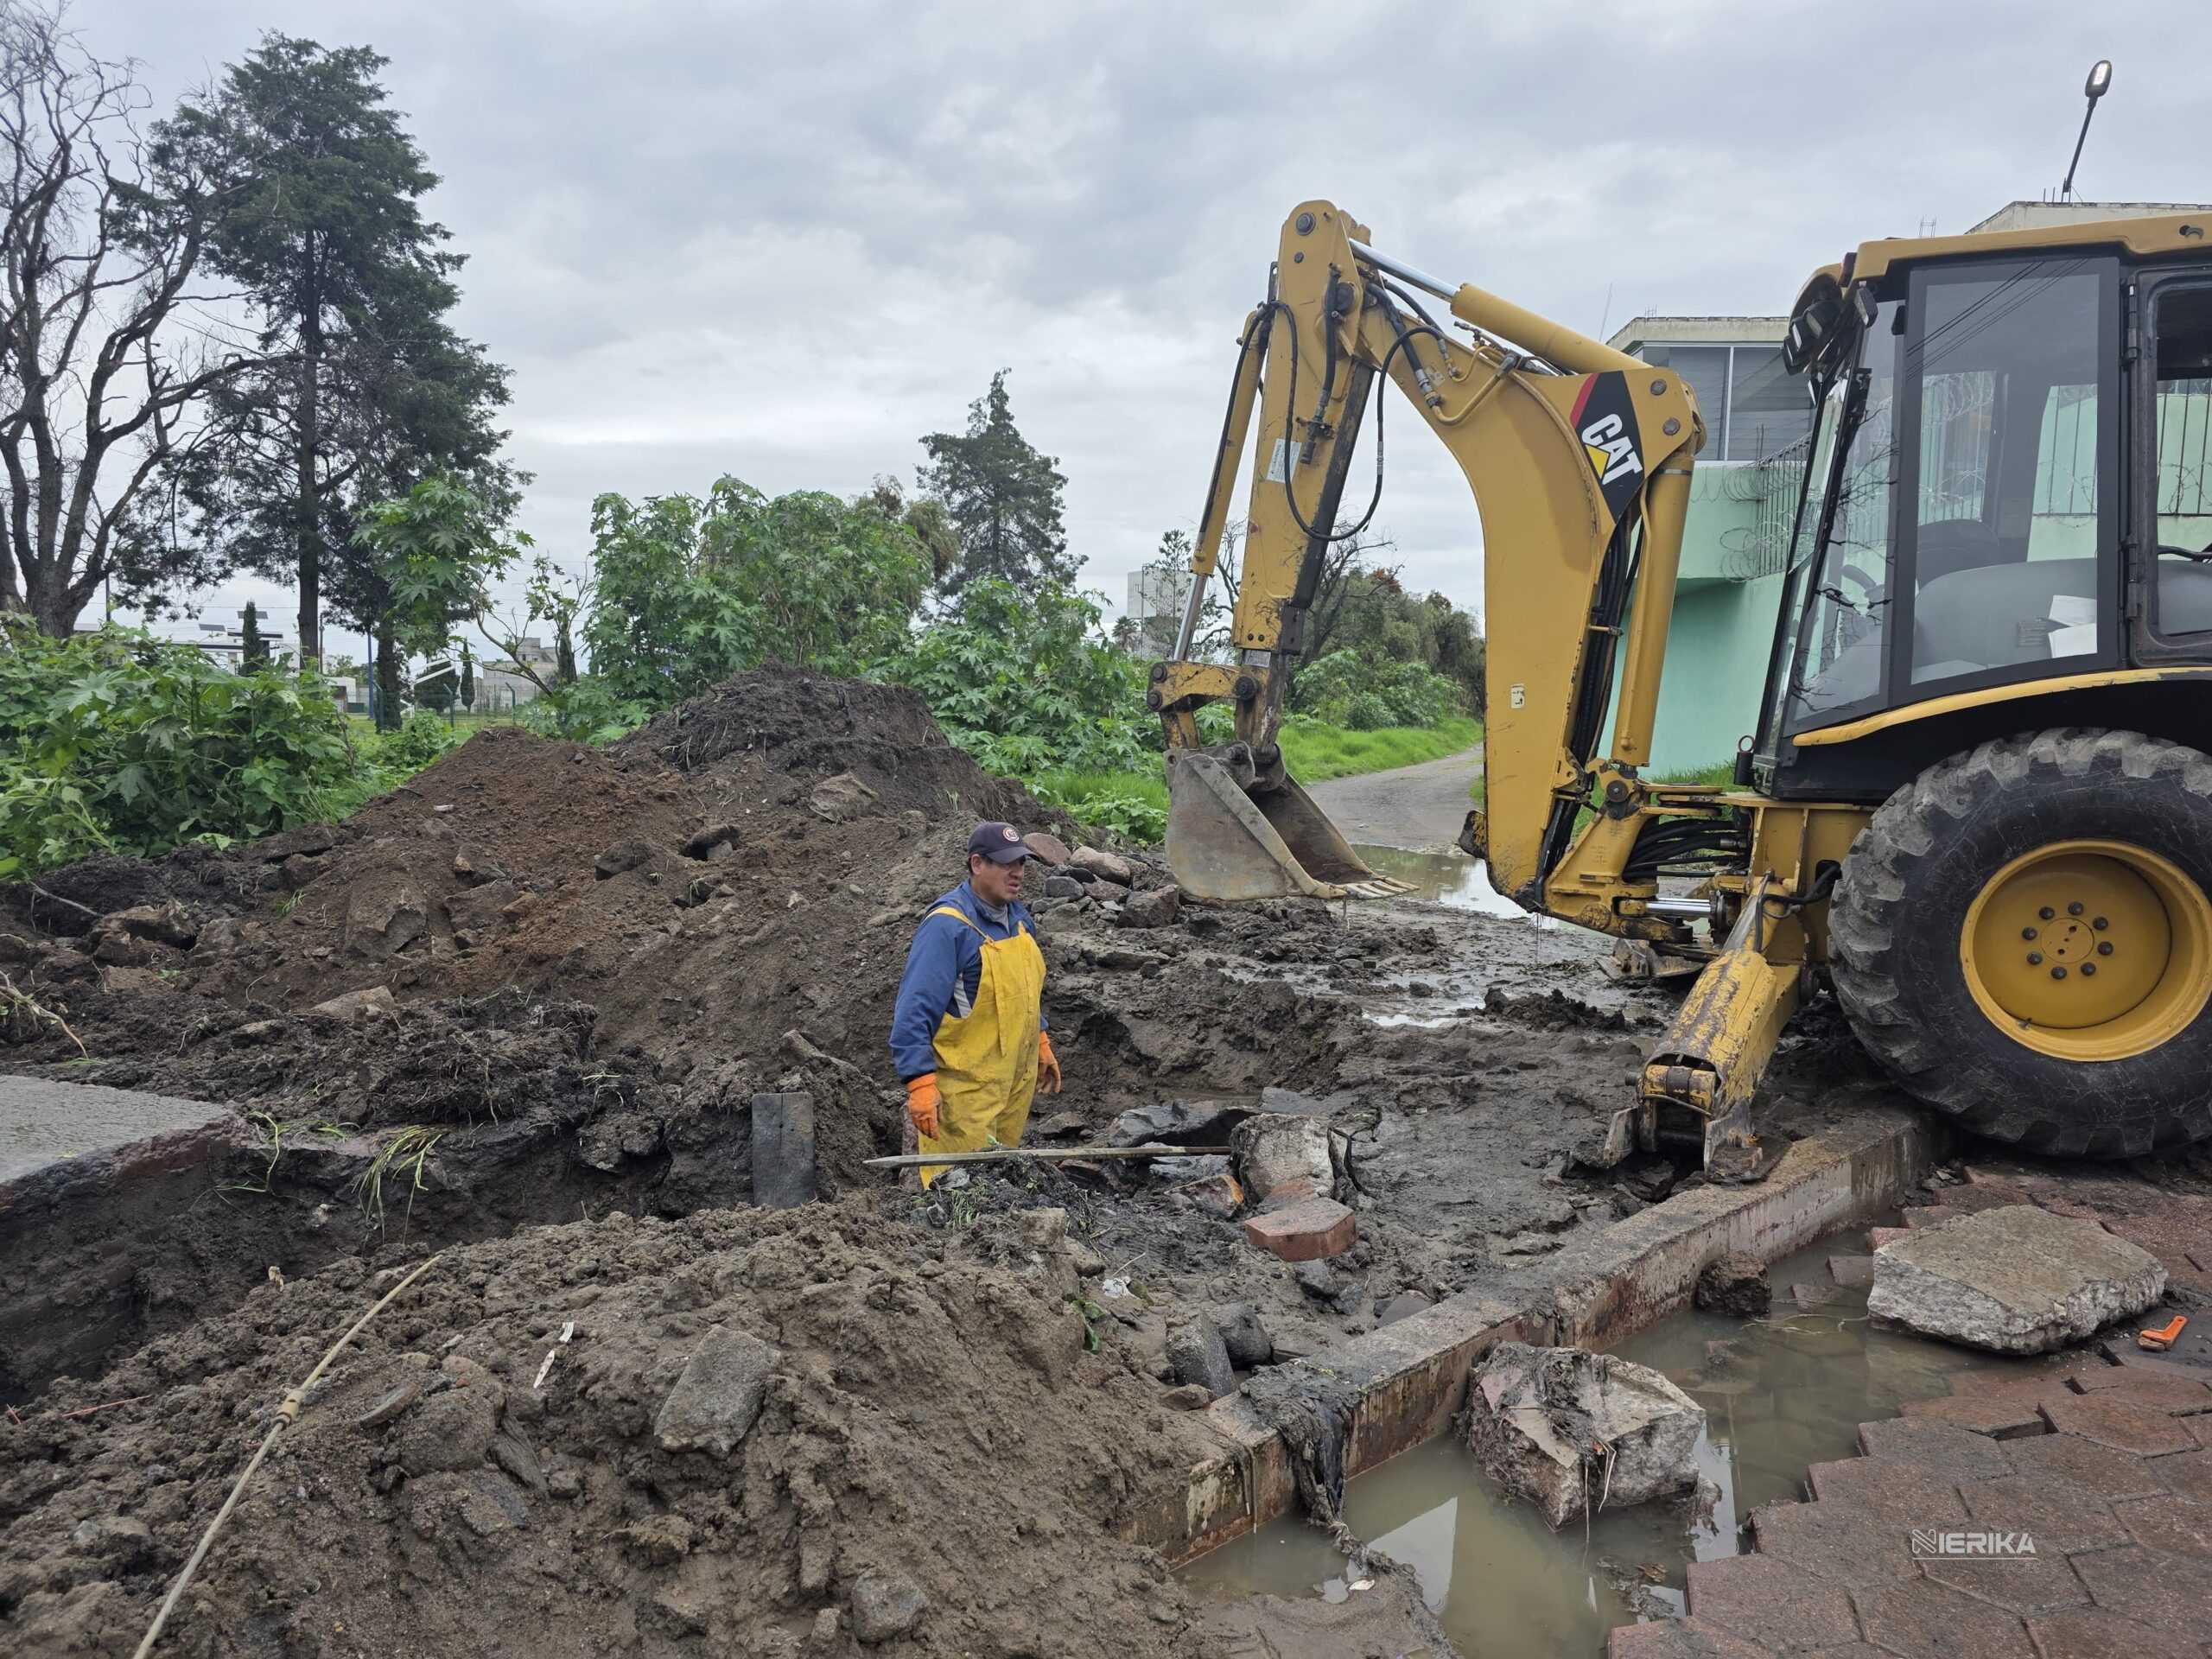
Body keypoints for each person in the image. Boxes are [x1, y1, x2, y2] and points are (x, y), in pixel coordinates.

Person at [888, 822, 1062, 1185]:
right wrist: (919, 1084)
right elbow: (913, 1011)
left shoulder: (1018, 919)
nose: (1017, 872)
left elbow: (1026, 991)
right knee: (957, 1194)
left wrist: (1041, 1040)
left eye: (1022, 863)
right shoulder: (948, 927)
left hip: (1014, 1085)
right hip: (965, 1098)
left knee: (1001, 1188)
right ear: (977, 864)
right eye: (1006, 863)